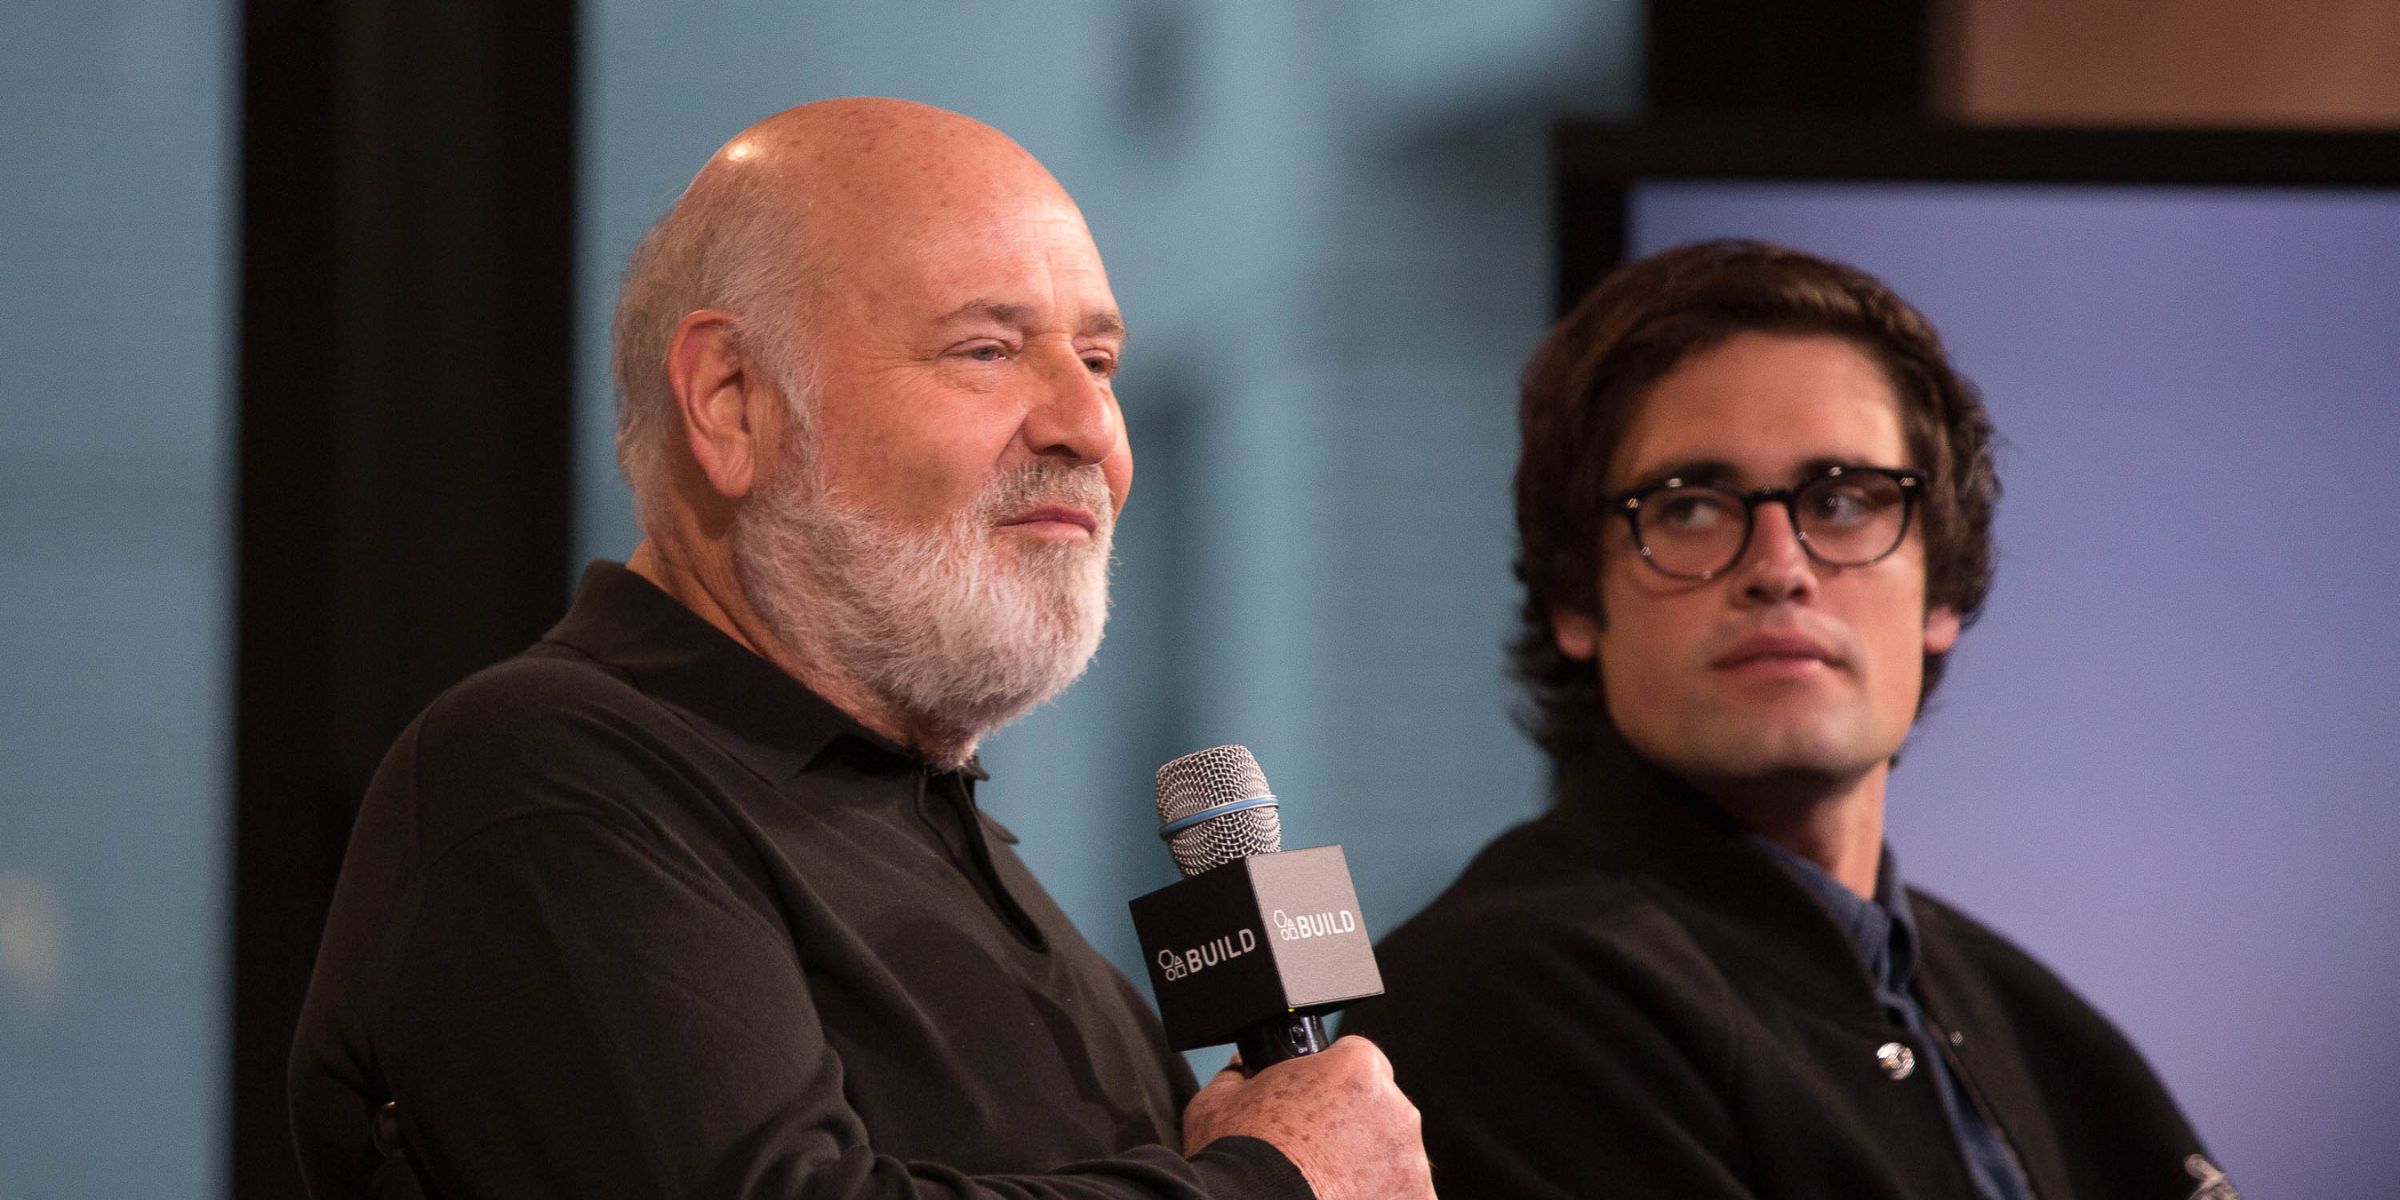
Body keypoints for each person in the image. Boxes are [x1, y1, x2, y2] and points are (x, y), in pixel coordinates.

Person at [288, 98, 1432, 1200]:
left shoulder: (946, 841)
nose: (1088, 429)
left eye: (1098, 363)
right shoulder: (551, 780)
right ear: (733, 402)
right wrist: (1273, 1182)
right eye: (987, 350)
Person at [1341, 240, 2234, 1200]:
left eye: (1844, 501)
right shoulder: (1503, 999)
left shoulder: (2033, 1019)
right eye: (1689, 508)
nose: (1779, 565)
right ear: (1573, 599)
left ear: (1942, 588)